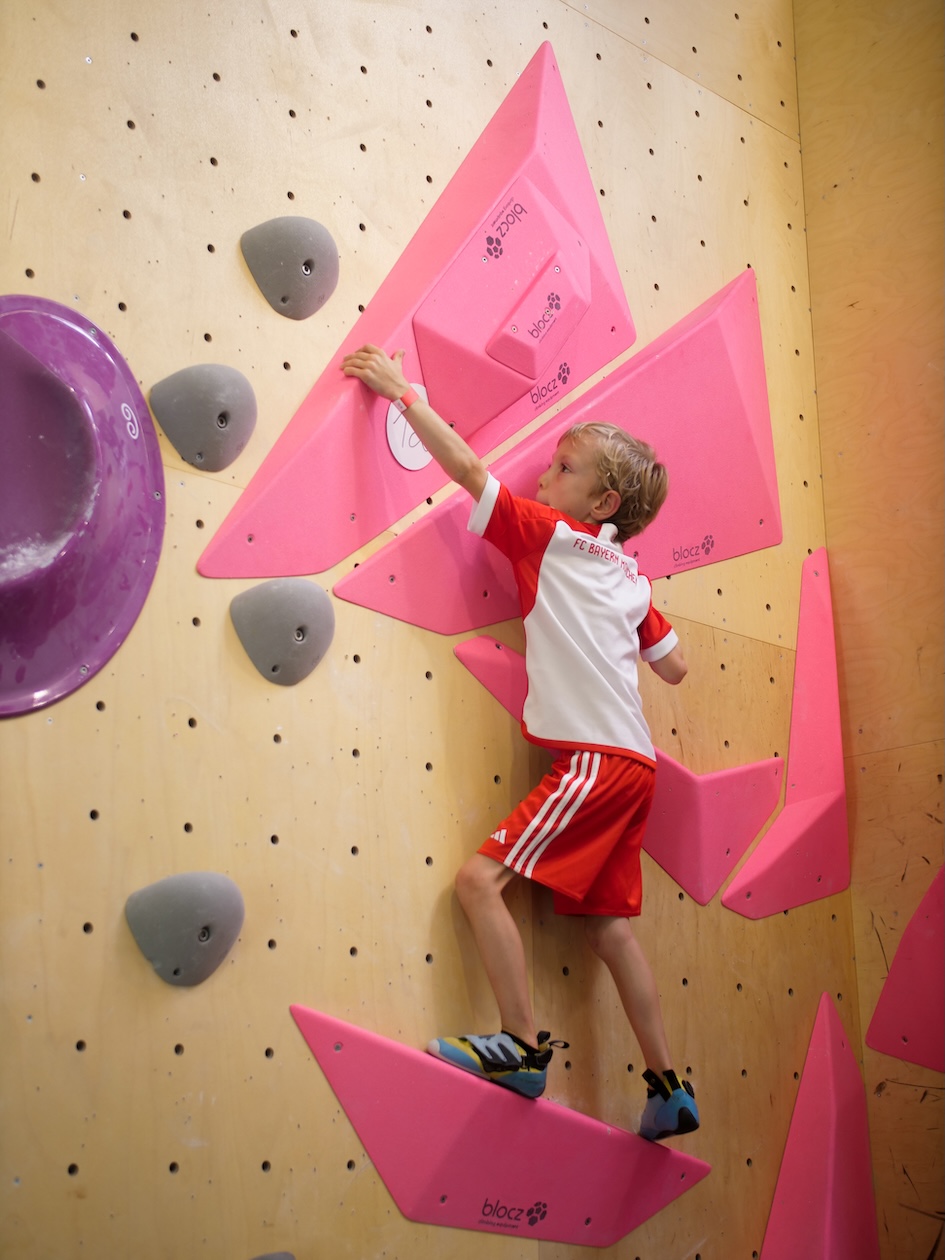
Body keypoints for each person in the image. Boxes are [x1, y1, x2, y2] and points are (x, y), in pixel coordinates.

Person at [341, 344, 699, 1142]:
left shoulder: (553, 537)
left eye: (561, 467)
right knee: (606, 929)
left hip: (594, 762)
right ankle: (668, 1084)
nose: (542, 475)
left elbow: (468, 469)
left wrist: (403, 393)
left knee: (476, 883)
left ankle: (521, 1050)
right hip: (635, 765)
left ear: (598, 499)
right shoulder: (628, 577)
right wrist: (630, 623)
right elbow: (674, 669)